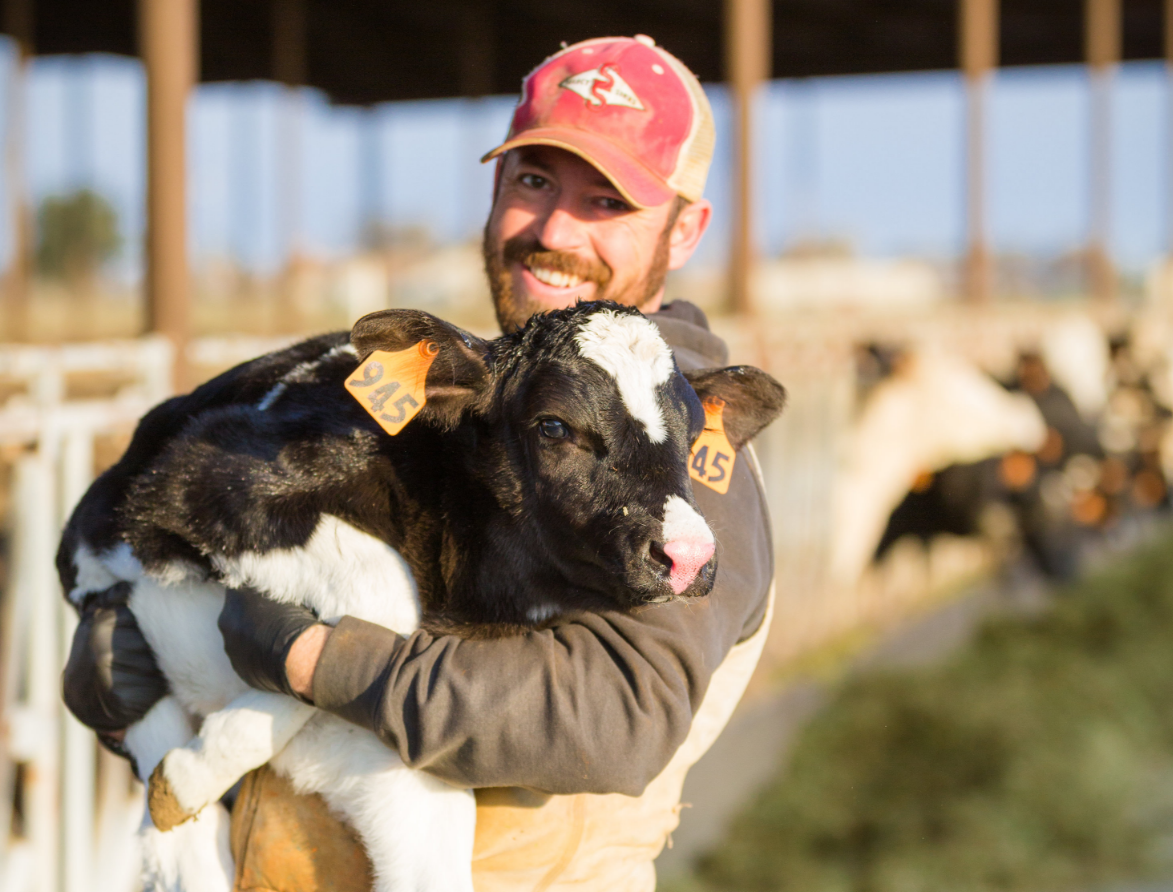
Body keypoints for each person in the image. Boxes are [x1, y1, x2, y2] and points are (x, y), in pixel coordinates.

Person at [63, 35, 776, 891]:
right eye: (535, 181)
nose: (553, 232)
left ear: (685, 229)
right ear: (496, 186)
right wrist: (150, 638)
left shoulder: (678, 431)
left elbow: (615, 714)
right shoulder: (491, 398)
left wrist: (307, 661)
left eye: (608, 203)